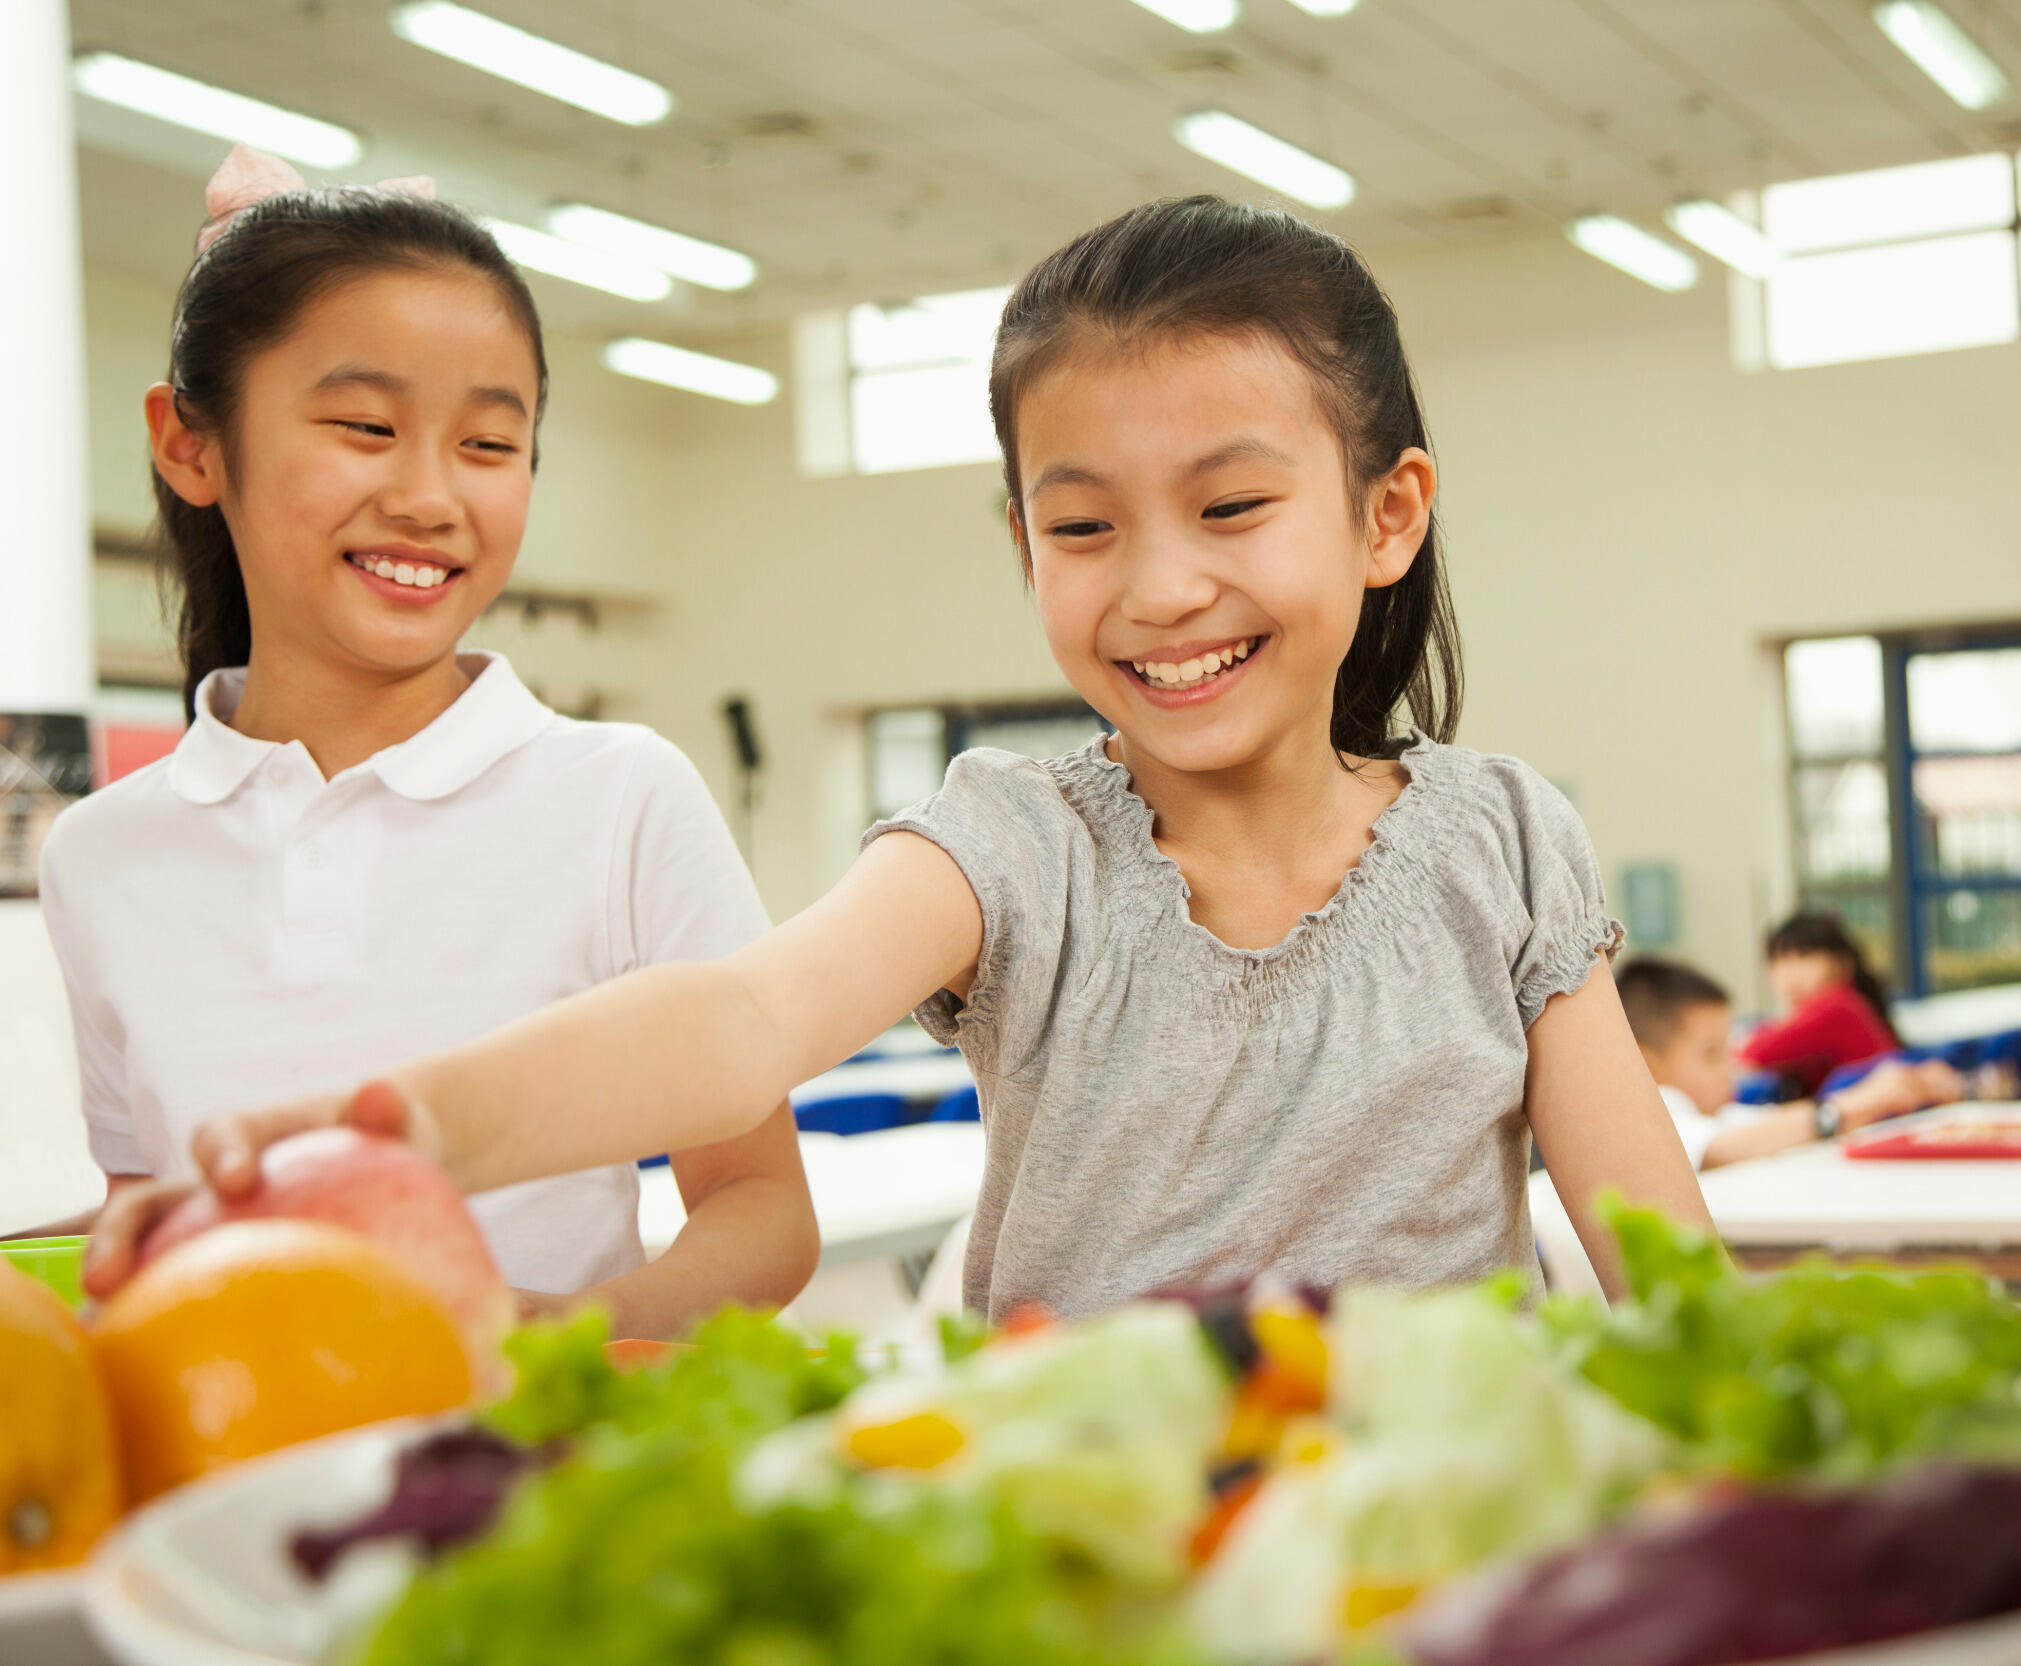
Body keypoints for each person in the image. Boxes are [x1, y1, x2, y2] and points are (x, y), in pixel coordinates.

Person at [87, 195, 1710, 1320]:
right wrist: (400, 1123)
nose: (1160, 588)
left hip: (1448, 1564)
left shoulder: (1500, 840)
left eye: (1231, 508)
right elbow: (739, 1021)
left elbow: (1657, 1257)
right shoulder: (1012, 843)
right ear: (1024, 544)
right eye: (1083, 525)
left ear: (1385, 515)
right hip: (1086, 1560)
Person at [43, 146, 815, 1339]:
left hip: (523, 1480)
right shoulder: (100, 854)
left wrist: (571, 1334)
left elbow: (760, 1204)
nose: (430, 495)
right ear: (191, 443)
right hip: (231, 1475)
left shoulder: (620, 798)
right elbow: (144, 1216)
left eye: (489, 444)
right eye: (365, 425)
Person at [1617, 957, 1954, 1168]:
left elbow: (1773, 1125)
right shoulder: (1654, 1112)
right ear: (1646, 1064)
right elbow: (1717, 1148)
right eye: (1711, 1054)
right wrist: (1845, 1109)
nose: (1728, 1068)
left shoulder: (1716, 1113)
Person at [1734, 913, 1899, 1098]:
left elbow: (1756, 1051)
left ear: (1841, 964)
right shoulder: (1842, 1003)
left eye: (1804, 957)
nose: (1789, 971)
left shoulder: (1836, 1006)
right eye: (1779, 959)